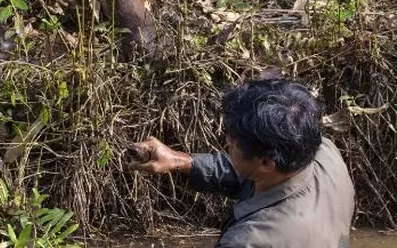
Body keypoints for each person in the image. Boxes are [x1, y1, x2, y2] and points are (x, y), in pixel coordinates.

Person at [127, 79, 355, 247]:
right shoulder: (323, 152)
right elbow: (248, 173)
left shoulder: (248, 241)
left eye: (234, 141)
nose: (227, 140)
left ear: (267, 162)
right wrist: (179, 160)